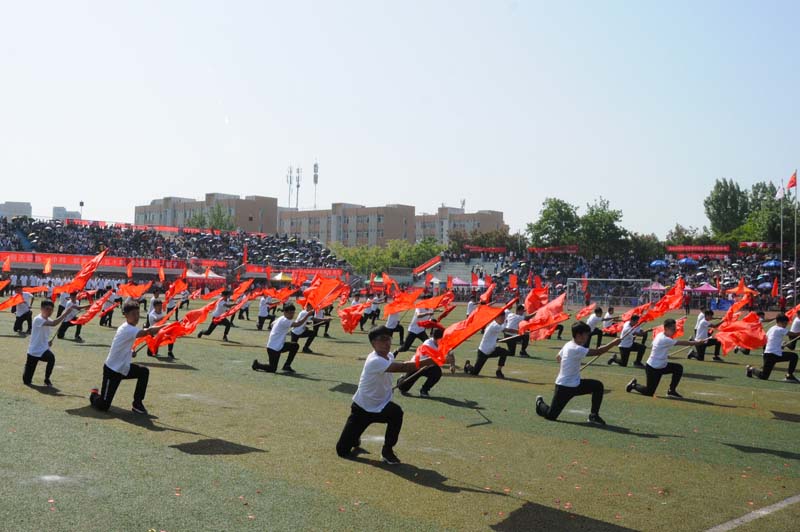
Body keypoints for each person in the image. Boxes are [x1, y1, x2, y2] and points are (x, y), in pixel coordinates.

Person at [335, 326, 436, 464]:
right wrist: (431, 360)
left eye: (389, 338)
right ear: (373, 343)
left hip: (380, 406)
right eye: (382, 339)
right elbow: (404, 367)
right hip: (362, 408)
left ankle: (387, 451)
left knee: (396, 413)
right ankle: (354, 438)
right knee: (342, 451)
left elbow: (400, 365)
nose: (387, 342)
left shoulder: (388, 356)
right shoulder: (374, 360)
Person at [535, 322, 620, 424]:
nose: (588, 337)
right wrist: (613, 343)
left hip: (576, 384)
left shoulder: (569, 344)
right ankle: (540, 403)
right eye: (586, 334)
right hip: (564, 387)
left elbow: (558, 358)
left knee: (598, 386)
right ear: (579, 335)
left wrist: (570, 367)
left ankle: (594, 416)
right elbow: (598, 351)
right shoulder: (575, 348)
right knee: (551, 416)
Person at [89, 302, 165, 414]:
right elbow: (148, 331)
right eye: (133, 314)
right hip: (112, 370)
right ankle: (94, 395)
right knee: (103, 406)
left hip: (124, 368)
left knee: (144, 372)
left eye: (138, 313)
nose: (136, 316)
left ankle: (137, 404)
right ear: (126, 315)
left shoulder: (131, 328)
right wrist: (164, 327)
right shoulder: (127, 328)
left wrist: (131, 352)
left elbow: (123, 346)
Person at [626, 319, 705, 398]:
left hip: (662, 366)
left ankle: (671, 391)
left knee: (678, 368)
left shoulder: (662, 335)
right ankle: (633, 385)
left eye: (675, 328)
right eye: (673, 329)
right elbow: (683, 343)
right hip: (653, 368)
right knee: (649, 392)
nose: (675, 330)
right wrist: (697, 342)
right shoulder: (664, 339)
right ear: (666, 328)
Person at [22, 299, 72, 386]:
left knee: (51, 358)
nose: (50, 311)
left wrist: (47, 343)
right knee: (26, 381)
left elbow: (44, 333)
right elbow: (54, 323)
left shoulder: (48, 319)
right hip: (33, 351)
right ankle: (27, 371)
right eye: (47, 309)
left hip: (43, 349)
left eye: (51, 309)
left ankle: (47, 379)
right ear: (41, 308)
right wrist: (65, 314)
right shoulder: (38, 319)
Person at [252, 303, 311, 373]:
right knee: (272, 369)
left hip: (278, 345)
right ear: (285, 312)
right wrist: (307, 315)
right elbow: (298, 324)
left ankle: (287, 366)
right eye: (290, 313)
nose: (292, 315)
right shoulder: (285, 320)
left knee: (295, 346)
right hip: (273, 348)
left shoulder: (281, 318)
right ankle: (257, 365)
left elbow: (272, 324)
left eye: (293, 313)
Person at [746, 314, 800, 382]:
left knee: (794, 356)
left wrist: (779, 346)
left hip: (770, 354)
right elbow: (793, 334)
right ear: (779, 322)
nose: (786, 325)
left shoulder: (772, 328)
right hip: (772, 355)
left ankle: (789, 376)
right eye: (785, 323)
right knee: (764, 376)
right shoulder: (780, 329)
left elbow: (769, 339)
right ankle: (751, 369)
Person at [397, 328, 444, 397]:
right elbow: (436, 359)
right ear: (436, 338)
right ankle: (401, 379)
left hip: (427, 367)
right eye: (441, 339)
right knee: (403, 388)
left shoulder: (441, 343)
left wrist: (452, 364)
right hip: (416, 366)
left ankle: (424, 390)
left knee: (437, 372)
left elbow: (448, 353)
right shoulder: (428, 344)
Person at [464, 313, 511, 378]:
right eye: (502, 318)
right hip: (483, 352)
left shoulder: (496, 325)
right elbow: (507, 330)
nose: (503, 319)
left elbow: (494, 336)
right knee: (475, 372)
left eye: (504, 318)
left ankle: (498, 371)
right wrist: (518, 331)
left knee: (504, 352)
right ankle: (467, 365)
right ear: (496, 318)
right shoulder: (494, 326)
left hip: (492, 350)